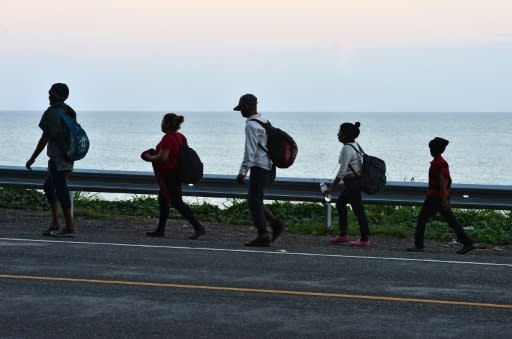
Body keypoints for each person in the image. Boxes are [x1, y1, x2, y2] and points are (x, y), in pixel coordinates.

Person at [141, 113, 205, 240]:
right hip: (177, 172)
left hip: (169, 174)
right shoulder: (181, 137)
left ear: (166, 123)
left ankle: (198, 227)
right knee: (163, 200)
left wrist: (148, 157)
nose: (161, 124)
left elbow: (163, 158)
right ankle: (160, 229)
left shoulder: (167, 138)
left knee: (176, 202)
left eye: (162, 122)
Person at [408, 137, 475, 254]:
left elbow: (442, 182)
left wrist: (443, 200)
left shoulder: (437, 164)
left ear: (433, 150)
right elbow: (449, 180)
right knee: (451, 221)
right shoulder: (442, 163)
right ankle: (467, 243)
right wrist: (446, 197)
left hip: (435, 197)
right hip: (440, 197)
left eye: (430, 149)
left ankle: (419, 245)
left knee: (422, 220)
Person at [26, 83, 76, 237]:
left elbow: (44, 138)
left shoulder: (53, 113)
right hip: (69, 156)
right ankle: (55, 222)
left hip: (57, 158)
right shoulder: (69, 111)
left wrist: (32, 158)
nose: (48, 96)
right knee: (49, 186)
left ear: (55, 96)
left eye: (51, 94)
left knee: (61, 190)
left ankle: (69, 227)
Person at [234, 94, 284, 247]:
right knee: (255, 200)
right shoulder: (264, 121)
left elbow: (250, 151)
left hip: (260, 168)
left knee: (253, 200)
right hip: (270, 167)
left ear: (249, 106)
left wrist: (243, 172)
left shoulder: (251, 125)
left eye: (242, 108)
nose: (241, 111)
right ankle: (274, 224)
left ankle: (263, 234)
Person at [323, 122, 370, 247]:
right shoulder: (355, 145)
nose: (337, 134)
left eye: (339, 132)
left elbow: (341, 172)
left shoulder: (347, 149)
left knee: (358, 210)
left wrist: (331, 188)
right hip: (354, 182)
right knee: (340, 204)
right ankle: (343, 234)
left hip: (353, 183)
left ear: (345, 135)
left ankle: (364, 239)